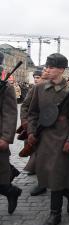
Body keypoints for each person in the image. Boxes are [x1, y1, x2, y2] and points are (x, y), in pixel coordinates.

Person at [27, 53, 69, 225]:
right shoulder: (39, 89)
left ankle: (55, 214)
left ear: (62, 70)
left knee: (56, 175)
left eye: (51, 67)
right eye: (46, 67)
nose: (46, 70)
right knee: (45, 174)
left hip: (61, 138)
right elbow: (32, 112)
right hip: (44, 137)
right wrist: (31, 132)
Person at [20, 68, 48, 196]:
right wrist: (25, 121)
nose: (36, 79)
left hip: (48, 127)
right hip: (35, 125)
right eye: (35, 77)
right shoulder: (34, 89)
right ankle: (35, 171)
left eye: (39, 77)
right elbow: (26, 106)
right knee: (32, 148)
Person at [0, 52, 21, 215]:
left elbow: (10, 113)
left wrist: (6, 137)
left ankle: (11, 191)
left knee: (1, 178)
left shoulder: (5, 87)